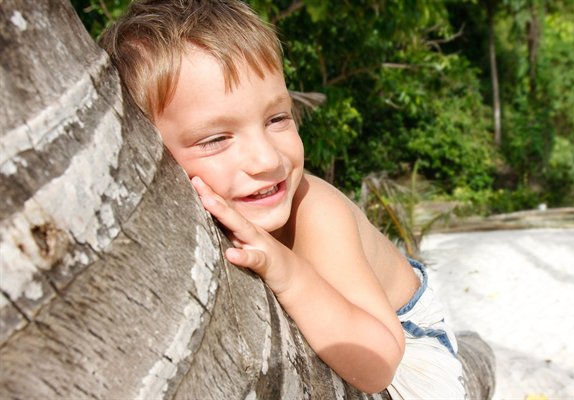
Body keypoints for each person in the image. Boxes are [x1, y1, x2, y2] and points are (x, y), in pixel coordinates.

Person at [99, 1, 465, 397]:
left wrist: (287, 270)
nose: (267, 159)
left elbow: (378, 363)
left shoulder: (316, 210)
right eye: (216, 139)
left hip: (408, 346)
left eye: (277, 119)